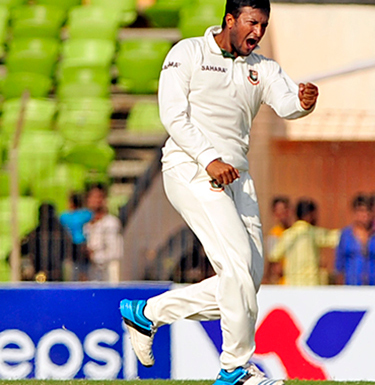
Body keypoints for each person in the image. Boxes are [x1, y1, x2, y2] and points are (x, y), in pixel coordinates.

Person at [119, 0, 319, 383]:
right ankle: (235, 369)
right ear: (230, 20)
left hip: (237, 177)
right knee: (237, 271)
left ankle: (147, 315)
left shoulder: (263, 67)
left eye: (263, 25)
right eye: (252, 23)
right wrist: (210, 158)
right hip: (191, 169)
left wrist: (303, 103)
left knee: (246, 281)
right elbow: (173, 114)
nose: (257, 32)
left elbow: (287, 103)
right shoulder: (189, 53)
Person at [269, 198, 339, 285]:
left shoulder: (287, 234)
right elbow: (336, 238)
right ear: (310, 215)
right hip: (311, 285)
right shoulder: (313, 233)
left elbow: (273, 256)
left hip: (292, 285)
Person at [335, 193, 375, 286]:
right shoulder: (346, 235)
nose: (365, 215)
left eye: (368, 211)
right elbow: (339, 265)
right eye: (361, 211)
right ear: (355, 213)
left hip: (374, 288)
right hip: (351, 288)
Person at [22, 203, 75, 281]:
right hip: (37, 277)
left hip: (59, 277)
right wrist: (28, 267)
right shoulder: (34, 234)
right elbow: (13, 254)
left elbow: (72, 254)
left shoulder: (63, 234)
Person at [83, 184, 123, 282]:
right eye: (92, 197)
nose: (96, 201)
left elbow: (115, 252)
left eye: (99, 197)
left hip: (107, 275)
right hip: (91, 275)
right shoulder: (86, 225)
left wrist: (93, 255)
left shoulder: (110, 222)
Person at [59, 192, 93, 281]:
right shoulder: (87, 214)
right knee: (85, 270)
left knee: (73, 269)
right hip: (84, 244)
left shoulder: (65, 216)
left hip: (71, 245)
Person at [263, 196, 292, 284]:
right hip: (283, 285)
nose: (283, 214)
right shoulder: (274, 235)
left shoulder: (296, 231)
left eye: (285, 210)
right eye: (279, 211)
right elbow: (276, 268)